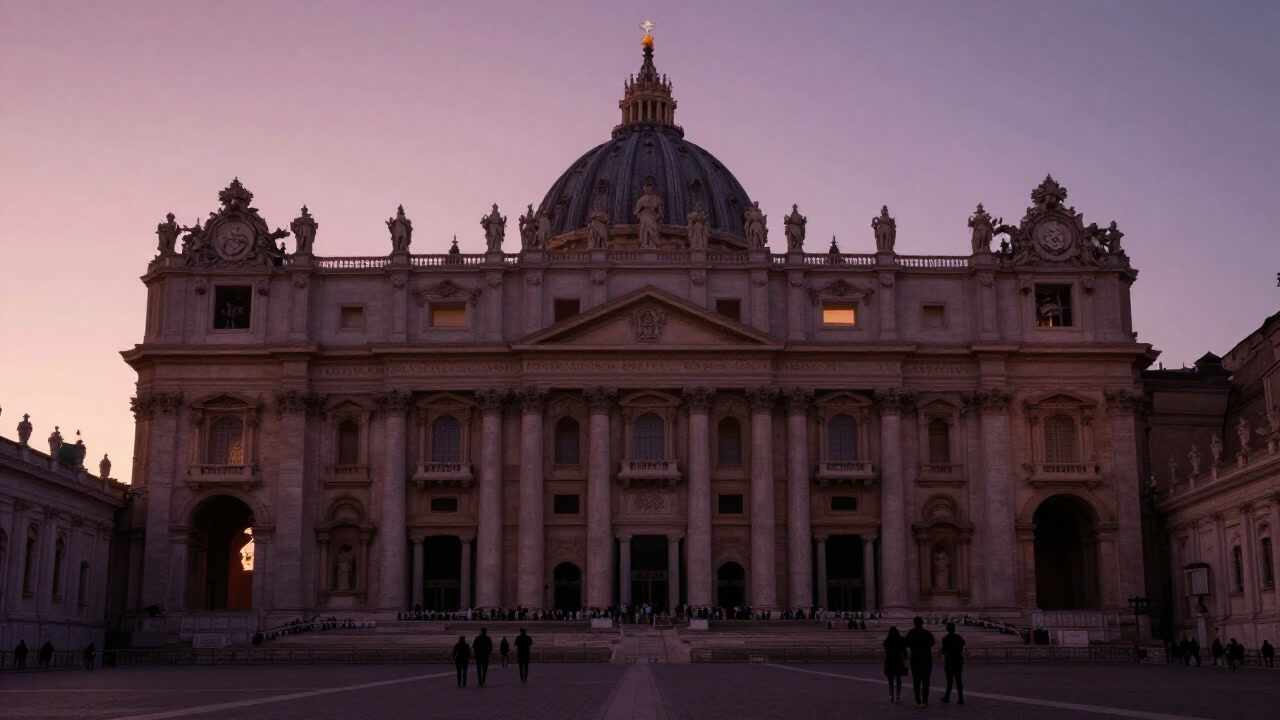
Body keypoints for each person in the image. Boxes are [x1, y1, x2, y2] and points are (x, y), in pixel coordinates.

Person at [904, 616, 936, 707]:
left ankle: (918, 701)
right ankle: (925, 700)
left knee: (916, 680)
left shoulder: (911, 633)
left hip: (915, 658)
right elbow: (933, 642)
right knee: (926, 680)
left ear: (914, 623)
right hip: (926, 658)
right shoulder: (927, 633)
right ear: (922, 623)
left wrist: (913, 647)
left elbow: (906, 642)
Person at [939, 622, 965, 704]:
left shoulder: (945, 639)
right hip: (958, 660)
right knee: (958, 680)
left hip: (949, 660)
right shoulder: (959, 638)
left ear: (947, 629)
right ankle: (960, 698)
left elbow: (943, 651)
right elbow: (962, 646)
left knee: (949, 680)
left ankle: (947, 697)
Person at [882, 627, 908, 704]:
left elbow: (886, 649)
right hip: (898, 660)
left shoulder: (887, 641)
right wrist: (905, 657)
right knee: (898, 679)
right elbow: (904, 651)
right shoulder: (901, 640)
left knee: (890, 680)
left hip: (889, 660)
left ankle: (891, 697)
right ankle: (898, 696)